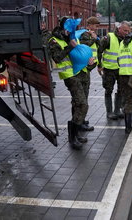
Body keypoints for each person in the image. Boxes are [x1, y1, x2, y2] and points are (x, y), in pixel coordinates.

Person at [48, 16, 94, 149]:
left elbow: (80, 55)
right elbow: (57, 58)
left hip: (82, 73)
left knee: (78, 104)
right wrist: (69, 46)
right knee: (82, 105)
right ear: (63, 28)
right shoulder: (54, 40)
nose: (71, 31)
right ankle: (72, 137)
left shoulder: (74, 37)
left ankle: (76, 133)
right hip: (70, 76)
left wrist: (90, 63)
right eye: (69, 29)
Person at [97, 21, 131, 120]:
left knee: (121, 90)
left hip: (121, 69)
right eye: (125, 30)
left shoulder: (127, 39)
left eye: (128, 31)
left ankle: (117, 110)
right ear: (119, 28)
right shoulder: (109, 37)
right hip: (109, 69)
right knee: (108, 90)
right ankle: (109, 112)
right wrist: (99, 65)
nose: (126, 33)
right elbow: (99, 50)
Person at [75, 16, 101, 132]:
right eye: (95, 25)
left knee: (84, 97)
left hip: (87, 69)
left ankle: (82, 120)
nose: (96, 27)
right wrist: (94, 38)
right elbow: (86, 46)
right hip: (82, 70)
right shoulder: (85, 34)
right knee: (82, 99)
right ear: (89, 25)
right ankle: (80, 122)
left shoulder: (91, 34)